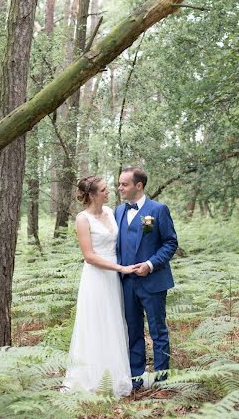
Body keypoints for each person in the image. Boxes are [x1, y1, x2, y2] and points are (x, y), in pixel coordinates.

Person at [63, 175, 135, 398]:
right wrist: (120, 268)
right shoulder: (82, 219)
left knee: (113, 321)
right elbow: (89, 256)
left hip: (113, 277)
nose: (109, 192)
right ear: (92, 194)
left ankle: (114, 375)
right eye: (103, 190)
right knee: (96, 323)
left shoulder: (111, 213)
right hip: (96, 277)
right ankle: (92, 378)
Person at [116, 166, 178, 390]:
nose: (120, 188)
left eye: (124, 184)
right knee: (132, 330)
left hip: (153, 282)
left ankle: (162, 380)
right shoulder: (118, 212)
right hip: (126, 283)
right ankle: (136, 379)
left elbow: (171, 243)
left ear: (138, 186)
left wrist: (150, 264)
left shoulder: (158, 210)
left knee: (157, 330)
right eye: (120, 184)